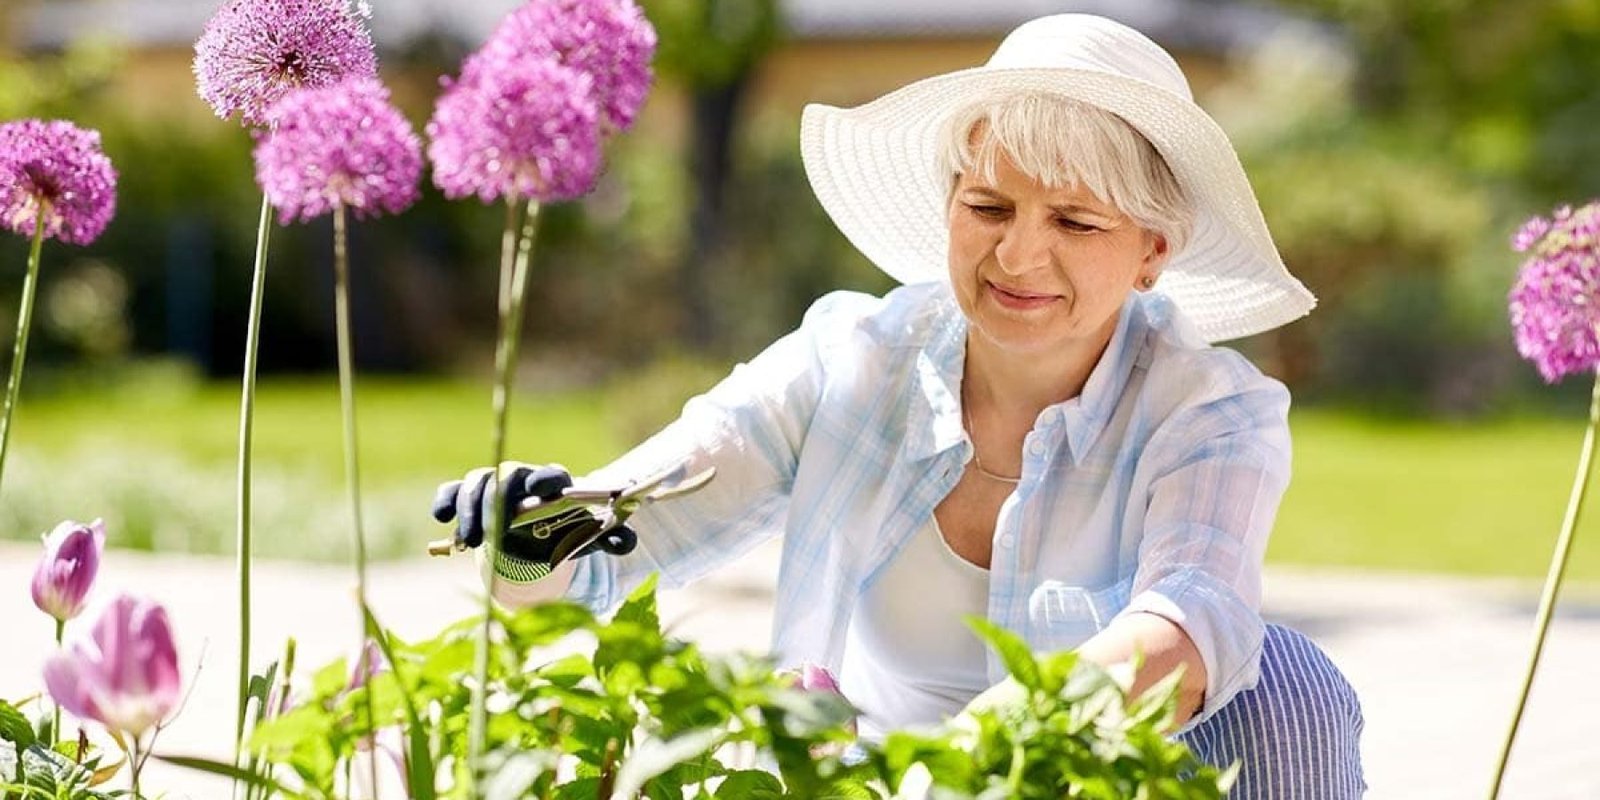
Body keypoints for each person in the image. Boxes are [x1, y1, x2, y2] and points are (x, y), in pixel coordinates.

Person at [432, 13, 1364, 797]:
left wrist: (966, 764)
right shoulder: (854, 359)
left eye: (1075, 221)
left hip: (1080, 780)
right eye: (988, 207)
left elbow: (1188, 626)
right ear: (949, 203)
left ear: (1152, 251)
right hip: (863, 780)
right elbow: (640, 521)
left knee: (1288, 685)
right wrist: (532, 530)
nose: (1018, 256)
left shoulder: (1208, 411)